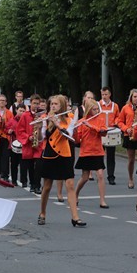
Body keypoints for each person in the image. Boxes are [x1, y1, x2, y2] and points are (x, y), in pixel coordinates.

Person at [38, 95, 84, 227]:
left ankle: (75, 217)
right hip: (50, 154)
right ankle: (42, 212)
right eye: (51, 104)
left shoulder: (69, 119)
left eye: (56, 104)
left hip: (65, 154)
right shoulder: (46, 119)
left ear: (62, 106)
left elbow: (68, 135)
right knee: (46, 187)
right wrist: (39, 127)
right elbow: (42, 138)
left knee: (70, 185)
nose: (53, 106)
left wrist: (57, 123)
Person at [74, 99, 109, 209]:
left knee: (100, 175)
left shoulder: (100, 119)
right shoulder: (82, 121)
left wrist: (91, 126)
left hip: (98, 151)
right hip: (86, 152)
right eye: (94, 109)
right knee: (84, 177)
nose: (96, 111)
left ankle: (102, 200)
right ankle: (75, 194)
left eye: (97, 109)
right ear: (88, 110)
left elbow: (104, 132)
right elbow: (77, 140)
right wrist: (74, 131)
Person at [116, 89, 137, 189]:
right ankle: (130, 178)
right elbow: (119, 121)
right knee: (131, 159)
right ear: (131, 97)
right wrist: (126, 129)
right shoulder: (125, 108)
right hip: (129, 135)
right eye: (135, 97)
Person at [16, 94, 43, 193]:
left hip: (38, 145)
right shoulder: (25, 115)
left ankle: (38, 185)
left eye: (38, 104)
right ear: (30, 103)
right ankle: (32, 184)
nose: (36, 105)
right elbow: (20, 130)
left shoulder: (41, 116)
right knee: (30, 166)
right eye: (34, 103)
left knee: (38, 166)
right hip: (29, 144)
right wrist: (28, 137)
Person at [99, 87, 120, 185]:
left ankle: (111, 176)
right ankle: (100, 175)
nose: (104, 96)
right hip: (100, 132)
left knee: (111, 156)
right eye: (103, 94)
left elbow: (117, 117)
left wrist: (115, 123)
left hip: (111, 132)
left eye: (106, 94)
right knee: (99, 155)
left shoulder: (115, 106)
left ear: (110, 94)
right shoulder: (98, 105)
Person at [0, 94, 14, 180]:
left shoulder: (9, 113)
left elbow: (12, 124)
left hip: (6, 136)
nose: (2, 102)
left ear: (6, 102)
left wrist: (10, 129)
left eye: (3, 100)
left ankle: (5, 174)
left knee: (5, 156)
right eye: (0, 100)